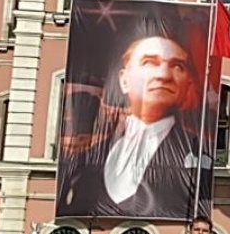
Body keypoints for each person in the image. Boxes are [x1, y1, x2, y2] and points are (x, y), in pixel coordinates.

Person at [56, 27, 211, 220]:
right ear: (124, 79)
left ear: (188, 84)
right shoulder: (87, 159)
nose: (164, 75)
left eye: (177, 66)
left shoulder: (198, 153)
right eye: (149, 63)